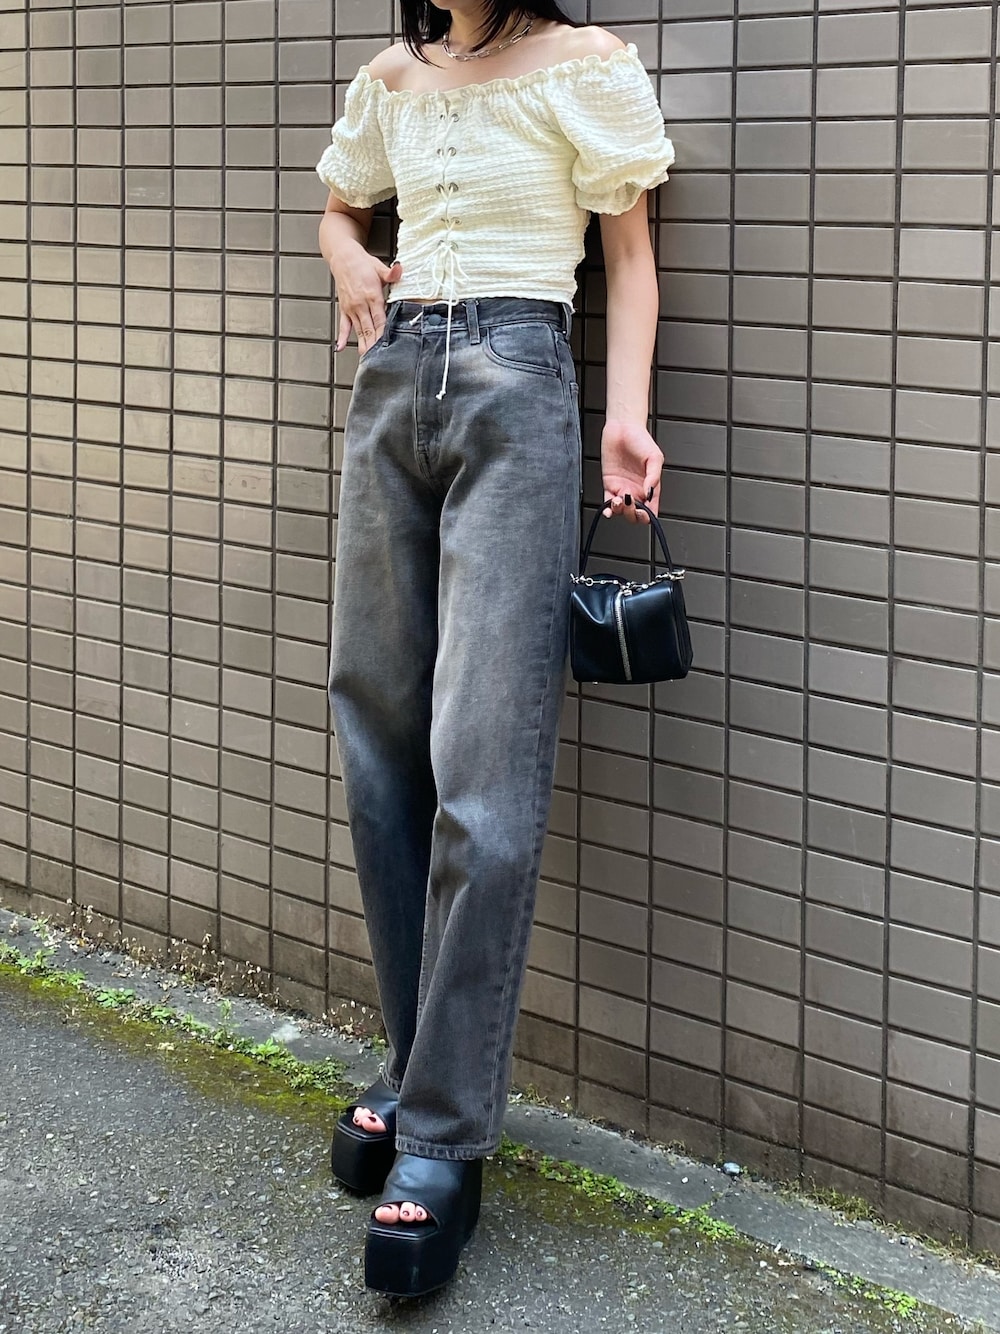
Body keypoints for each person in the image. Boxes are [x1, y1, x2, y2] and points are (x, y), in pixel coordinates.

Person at [316, 0, 674, 1297]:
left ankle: (444, 1136)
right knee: (376, 735)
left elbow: (629, 256)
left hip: (520, 380)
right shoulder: (394, 74)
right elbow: (342, 206)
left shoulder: (586, 67)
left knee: (484, 766)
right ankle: (418, 1069)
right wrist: (352, 261)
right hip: (392, 383)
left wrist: (625, 419)